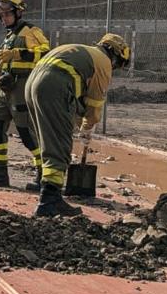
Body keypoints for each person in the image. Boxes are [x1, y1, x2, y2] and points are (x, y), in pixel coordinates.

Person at [26, 33, 131, 217]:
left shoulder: (81, 50)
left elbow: (75, 94)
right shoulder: (103, 63)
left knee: (49, 140)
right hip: (53, 86)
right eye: (118, 66)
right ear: (115, 56)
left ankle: (52, 195)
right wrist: (88, 127)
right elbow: (95, 104)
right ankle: (48, 201)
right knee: (59, 145)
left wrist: (77, 122)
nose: (114, 69)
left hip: (33, 84)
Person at [0, 0, 51, 190]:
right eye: (0, 16)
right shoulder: (9, 36)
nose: (4, 19)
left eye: (7, 14)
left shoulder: (31, 31)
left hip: (22, 86)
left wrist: (19, 53)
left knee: (27, 133)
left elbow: (46, 52)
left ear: (18, 12)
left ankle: (43, 175)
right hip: (5, 86)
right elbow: (4, 62)